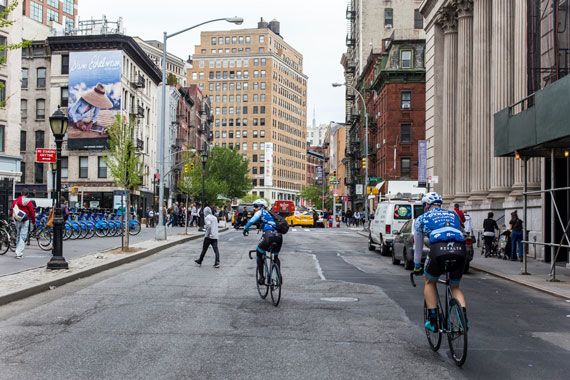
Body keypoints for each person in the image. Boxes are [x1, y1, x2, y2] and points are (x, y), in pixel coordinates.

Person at [413, 192, 467, 333]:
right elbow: (461, 231)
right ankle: (464, 319)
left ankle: (432, 320)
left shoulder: (421, 219)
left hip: (439, 250)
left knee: (430, 281)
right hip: (460, 249)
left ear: (426, 205)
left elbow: (418, 246)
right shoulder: (453, 215)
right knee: (455, 287)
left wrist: (417, 265)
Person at [243, 199, 283, 285]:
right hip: (279, 236)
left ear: (261, 206)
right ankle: (279, 276)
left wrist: (245, 229)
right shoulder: (272, 214)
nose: (254, 208)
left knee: (259, 251)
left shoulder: (261, 212)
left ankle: (262, 277)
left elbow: (251, 221)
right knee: (275, 257)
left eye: (256, 206)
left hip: (268, 236)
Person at [9, 190, 36, 259]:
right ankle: (19, 253)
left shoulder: (16, 200)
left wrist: (11, 216)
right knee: (23, 236)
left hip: (17, 219)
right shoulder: (28, 201)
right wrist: (33, 220)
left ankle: (17, 251)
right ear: (27, 194)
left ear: (21, 193)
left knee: (18, 234)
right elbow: (32, 212)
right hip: (25, 220)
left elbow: (12, 209)